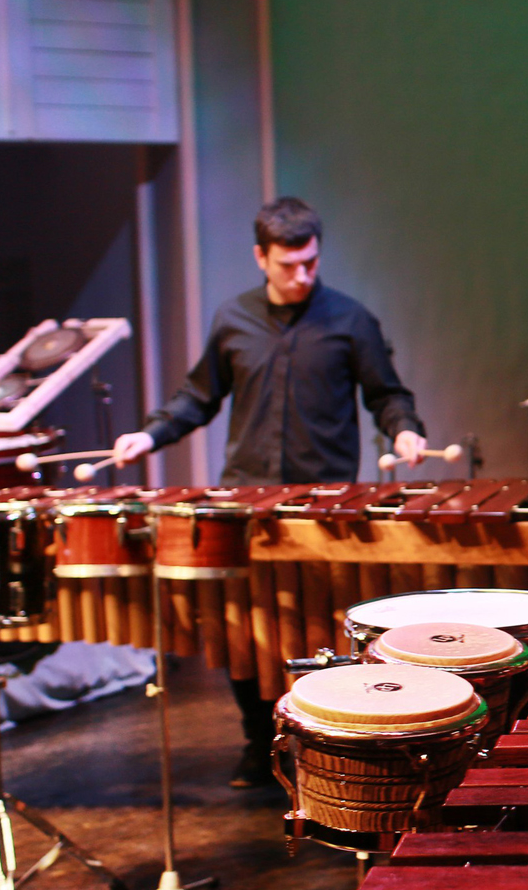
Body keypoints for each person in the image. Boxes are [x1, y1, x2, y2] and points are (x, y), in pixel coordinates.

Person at [114, 196, 427, 786]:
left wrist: (405, 429)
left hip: (326, 504)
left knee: (323, 629)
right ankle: (259, 741)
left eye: (310, 262)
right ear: (262, 257)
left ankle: (324, 740)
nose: (302, 275)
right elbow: (198, 397)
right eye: (289, 265)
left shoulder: (351, 319)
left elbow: (386, 393)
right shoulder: (234, 319)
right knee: (245, 626)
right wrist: (149, 435)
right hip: (247, 501)